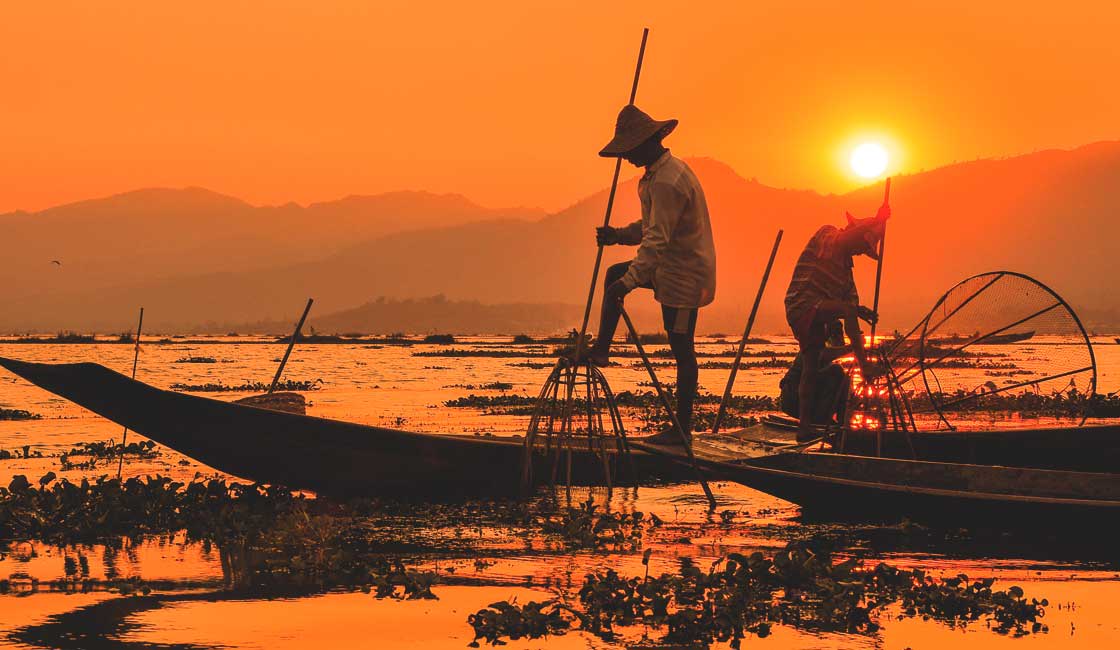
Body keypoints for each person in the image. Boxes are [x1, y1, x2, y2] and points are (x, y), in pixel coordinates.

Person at [585, 104, 716, 446]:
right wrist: (618, 235)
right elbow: (650, 227)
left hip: (684, 278)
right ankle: (601, 349)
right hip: (667, 268)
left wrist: (628, 283)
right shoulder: (658, 176)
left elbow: (658, 239)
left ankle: (682, 430)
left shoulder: (668, 182)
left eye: (629, 150)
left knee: (682, 349)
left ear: (647, 142)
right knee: (615, 274)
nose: (626, 157)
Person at [784, 207, 888, 442]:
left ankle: (806, 427)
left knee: (811, 367)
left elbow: (850, 302)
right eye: (862, 246)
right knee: (842, 315)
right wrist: (878, 220)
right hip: (801, 303)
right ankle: (864, 366)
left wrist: (861, 312)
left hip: (818, 311)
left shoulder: (845, 272)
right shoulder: (828, 234)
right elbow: (843, 241)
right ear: (857, 235)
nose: (861, 252)